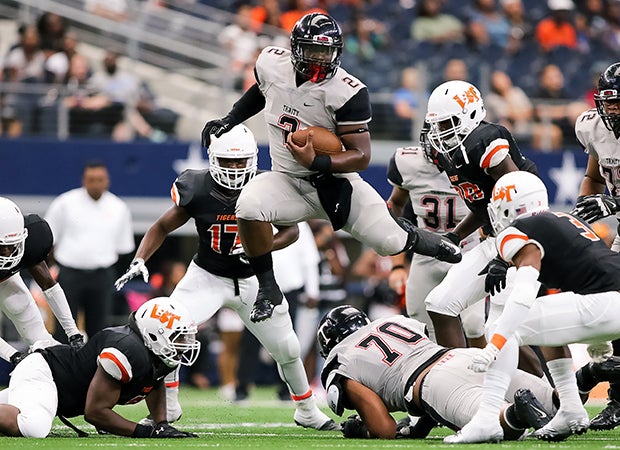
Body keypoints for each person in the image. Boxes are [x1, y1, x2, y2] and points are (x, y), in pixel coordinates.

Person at [200, 12, 461, 325]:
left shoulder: (348, 91)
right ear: (296, 48)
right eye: (314, 50)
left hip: (336, 182)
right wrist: (230, 119)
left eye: (327, 52)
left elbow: (361, 156)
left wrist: (317, 161)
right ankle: (268, 289)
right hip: (287, 179)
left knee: (389, 242)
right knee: (249, 205)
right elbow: (262, 90)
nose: (321, 59)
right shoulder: (271, 63)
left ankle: (432, 241)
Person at [114, 124, 339, 431]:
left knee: (287, 348)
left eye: (240, 162)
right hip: (207, 276)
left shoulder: (266, 187)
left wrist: (262, 246)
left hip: (254, 280)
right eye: (228, 161)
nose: (234, 169)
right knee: (166, 331)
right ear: (213, 159)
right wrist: (140, 259)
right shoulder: (198, 187)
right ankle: (169, 405)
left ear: (253, 160)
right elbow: (161, 227)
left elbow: (292, 231)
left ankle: (307, 410)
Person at [447, 171, 620, 443]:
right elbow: (593, 271)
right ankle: (571, 408)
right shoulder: (566, 219)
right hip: (609, 301)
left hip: (605, 303)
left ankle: (487, 417)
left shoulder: (518, 231)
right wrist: (602, 335)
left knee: (504, 326)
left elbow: (524, 292)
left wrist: (494, 345)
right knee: (544, 320)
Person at [317, 305, 555, 440]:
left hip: (434, 382)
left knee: (497, 425)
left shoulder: (342, 359)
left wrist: (360, 429)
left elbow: (384, 429)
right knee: (556, 405)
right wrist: (419, 427)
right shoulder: (391, 321)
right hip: (464, 357)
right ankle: (588, 376)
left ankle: (517, 411)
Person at [422, 79, 539, 350]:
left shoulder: (484, 140)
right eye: (436, 125)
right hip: (496, 238)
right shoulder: (454, 152)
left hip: (525, 239)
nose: (438, 132)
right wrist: (455, 235)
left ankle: (549, 390)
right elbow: (483, 204)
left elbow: (518, 196)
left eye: (445, 123)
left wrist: (505, 255)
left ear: (471, 114)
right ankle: (456, 382)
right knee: (440, 304)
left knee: (503, 329)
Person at [0, 297, 199, 438]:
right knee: (34, 427)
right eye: (179, 336)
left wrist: (161, 424)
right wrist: (145, 432)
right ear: (155, 334)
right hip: (44, 374)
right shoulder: (127, 349)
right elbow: (95, 413)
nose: (184, 343)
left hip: (52, 389)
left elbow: (155, 380)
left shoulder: (155, 352)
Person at [386, 132, 485, 345]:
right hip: (427, 254)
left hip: (467, 252)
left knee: (474, 324)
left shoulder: (476, 162)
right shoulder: (409, 163)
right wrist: (397, 264)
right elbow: (395, 205)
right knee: (420, 324)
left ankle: (485, 376)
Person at [570, 61, 620, 430]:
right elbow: (592, 177)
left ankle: (594, 376)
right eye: (608, 101)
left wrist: (614, 203)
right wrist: (582, 213)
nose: (613, 109)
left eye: (619, 101)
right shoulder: (593, 127)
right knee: (612, 306)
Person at [45, 161, 135, 340]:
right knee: (63, 329)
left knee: (100, 331)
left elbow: (124, 248)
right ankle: (62, 367)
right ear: (83, 180)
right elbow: (49, 240)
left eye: (99, 179)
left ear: (107, 181)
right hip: (69, 274)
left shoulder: (119, 208)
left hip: (101, 276)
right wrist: (54, 267)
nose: (95, 184)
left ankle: (95, 368)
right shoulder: (65, 203)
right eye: (91, 179)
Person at [0, 197, 83, 365]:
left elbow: (48, 284)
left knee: (42, 341)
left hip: (6, 281)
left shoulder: (33, 239)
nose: (9, 254)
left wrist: (73, 333)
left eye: (13, 245)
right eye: (2, 247)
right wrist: (14, 355)